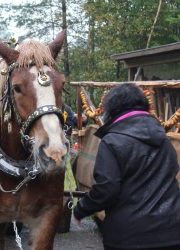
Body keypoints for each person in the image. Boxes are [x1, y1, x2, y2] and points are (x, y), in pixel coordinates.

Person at [73, 83, 180, 250]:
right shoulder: (163, 139)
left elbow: (107, 189)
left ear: (113, 109)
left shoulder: (112, 141)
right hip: (172, 233)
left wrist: (81, 209)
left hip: (129, 237)